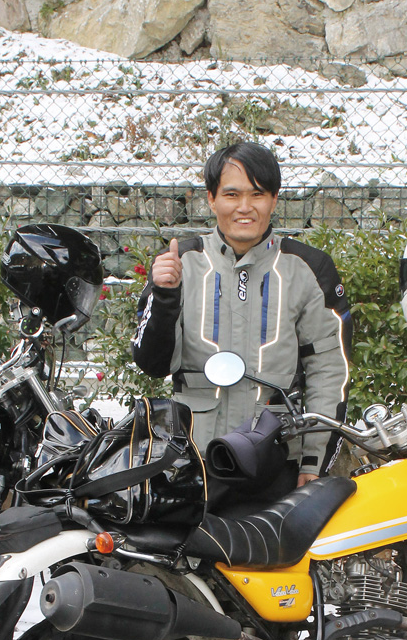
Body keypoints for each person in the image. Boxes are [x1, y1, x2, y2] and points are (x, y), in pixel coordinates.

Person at [132, 141, 353, 498]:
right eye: (232, 195)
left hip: (277, 461)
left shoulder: (308, 269)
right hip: (193, 462)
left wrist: (313, 462)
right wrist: (165, 295)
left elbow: (329, 371)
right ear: (211, 199)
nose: (245, 207)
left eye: (258, 194)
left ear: (274, 199)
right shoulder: (180, 264)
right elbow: (153, 364)